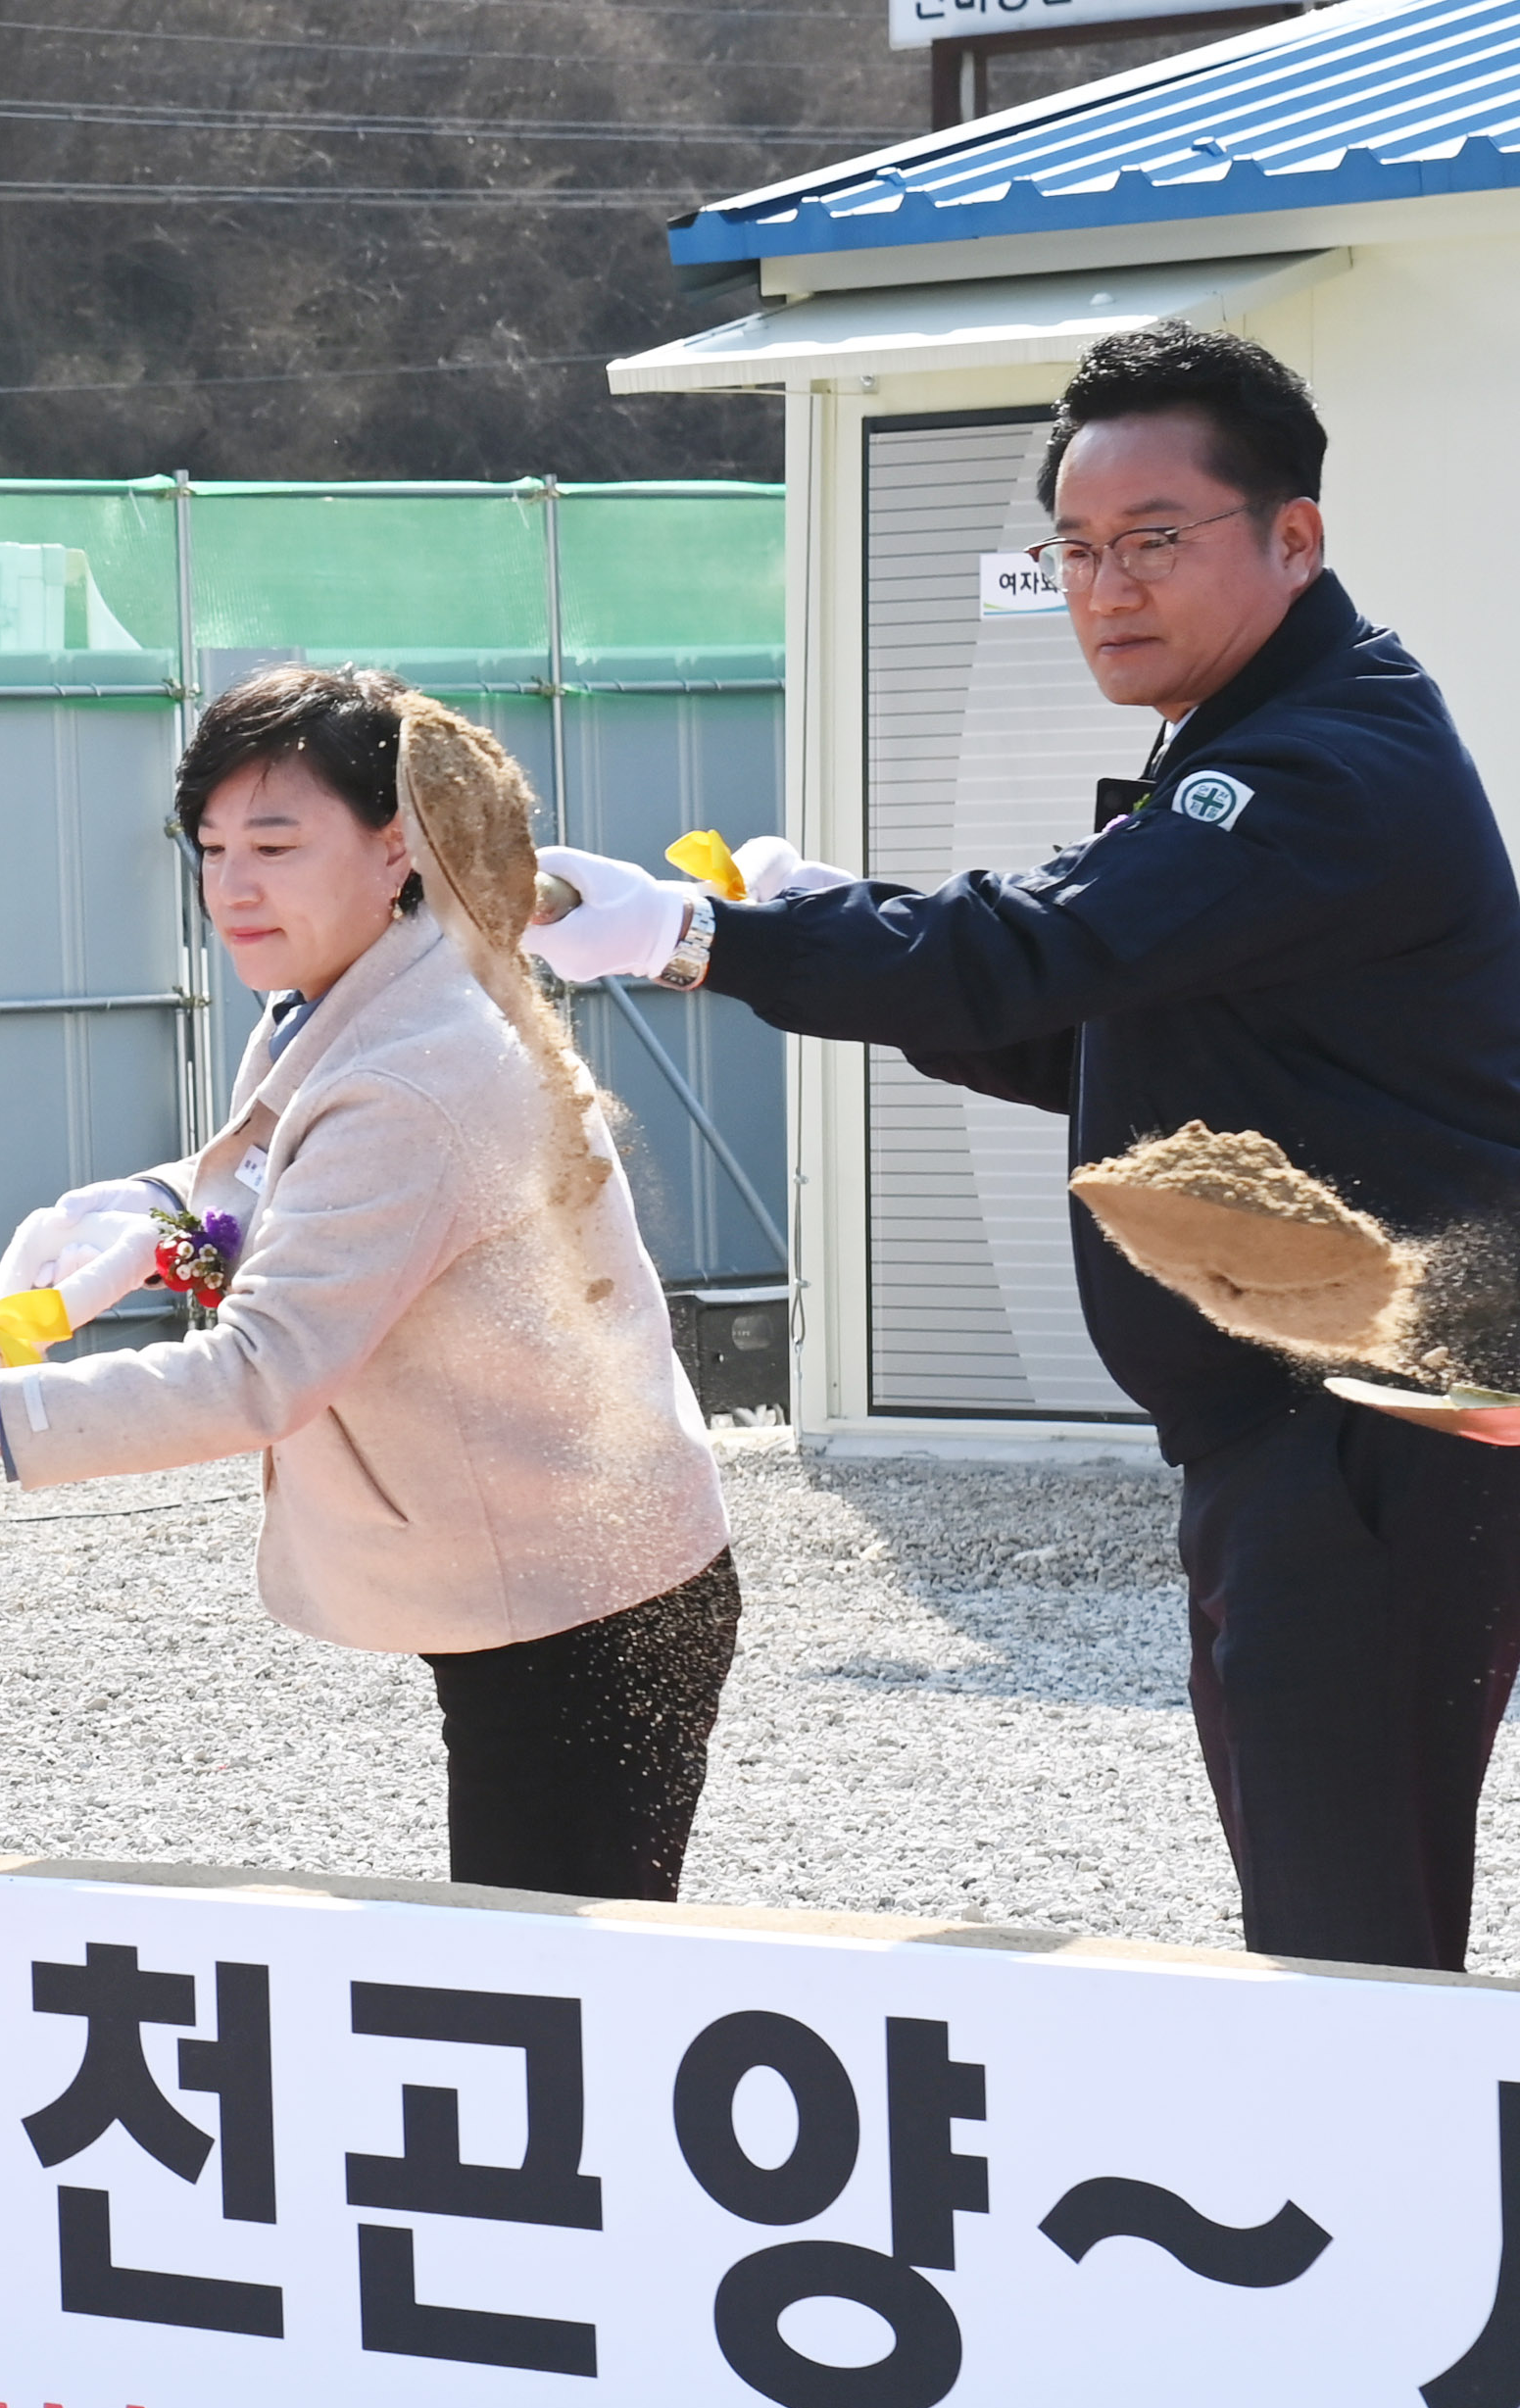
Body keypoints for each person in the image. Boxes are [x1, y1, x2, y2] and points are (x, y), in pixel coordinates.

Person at [530, 322, 1520, 1973]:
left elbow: (1028, 954)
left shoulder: (1310, 766)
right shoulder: (1263, 737)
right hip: (1306, 1427)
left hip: (1369, 1430)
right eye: (1071, 549)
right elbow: (1075, 1026)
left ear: (1294, 537)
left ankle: (1411, 2222)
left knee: (1351, 1935)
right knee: (1335, 1903)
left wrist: (703, 934)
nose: (1104, 587)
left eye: (1153, 542)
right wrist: (816, 923)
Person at [0, 667, 739, 1901]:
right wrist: (161, 1203)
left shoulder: (414, 1070)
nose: (234, 885)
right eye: (211, 847)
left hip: (586, 1598)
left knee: (556, 1995)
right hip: (546, 1559)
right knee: (534, 1970)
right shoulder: (355, 994)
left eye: (276, 841)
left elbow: (264, 1370)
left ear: (394, 849)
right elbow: (282, 1178)